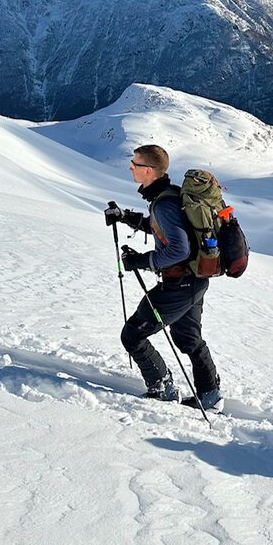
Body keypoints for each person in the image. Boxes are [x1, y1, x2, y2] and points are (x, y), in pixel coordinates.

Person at [104, 144, 222, 409]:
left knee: (132, 335)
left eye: (134, 164)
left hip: (180, 284)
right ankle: (210, 396)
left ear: (149, 171)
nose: (130, 167)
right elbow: (162, 229)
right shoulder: (169, 196)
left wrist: (141, 261)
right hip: (195, 281)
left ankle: (163, 388)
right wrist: (125, 217)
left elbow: (180, 249)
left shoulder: (165, 203)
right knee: (188, 338)